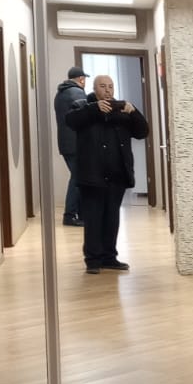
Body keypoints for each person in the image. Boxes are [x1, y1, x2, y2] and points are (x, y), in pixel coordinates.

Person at [65, 74, 148, 274]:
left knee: (112, 218)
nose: (108, 90)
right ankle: (93, 260)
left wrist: (134, 111)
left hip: (117, 176)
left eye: (111, 86)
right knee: (93, 219)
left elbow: (142, 132)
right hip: (92, 176)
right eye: (103, 86)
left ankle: (109, 257)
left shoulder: (122, 109)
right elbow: (71, 121)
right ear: (95, 89)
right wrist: (94, 109)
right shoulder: (83, 106)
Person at [54, 66, 89, 226]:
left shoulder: (60, 93)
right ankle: (70, 215)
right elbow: (86, 116)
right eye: (84, 79)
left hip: (65, 143)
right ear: (81, 79)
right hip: (76, 143)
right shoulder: (77, 93)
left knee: (77, 177)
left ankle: (80, 214)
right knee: (78, 178)